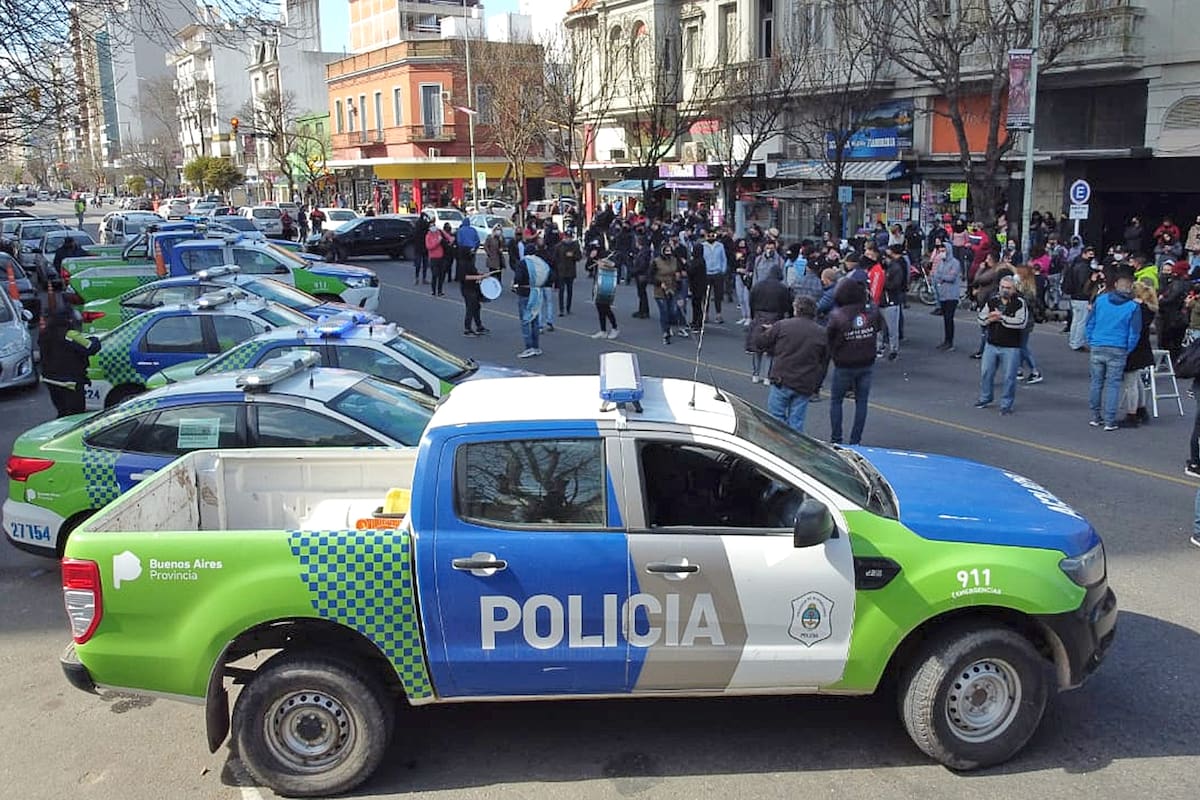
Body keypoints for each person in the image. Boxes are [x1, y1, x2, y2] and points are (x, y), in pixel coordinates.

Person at [754, 295, 828, 432]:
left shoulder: (783, 325)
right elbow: (824, 361)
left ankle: (780, 443)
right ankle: (794, 445)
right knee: (797, 421)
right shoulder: (822, 333)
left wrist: (761, 328)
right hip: (804, 383)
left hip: (782, 379)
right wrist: (816, 385)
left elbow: (761, 342)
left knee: (776, 418)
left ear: (796, 309)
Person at [826, 279, 883, 445]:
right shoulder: (872, 312)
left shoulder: (838, 315)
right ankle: (855, 440)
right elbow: (879, 327)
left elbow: (829, 338)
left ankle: (836, 439)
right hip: (866, 362)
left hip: (844, 363)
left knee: (836, 400)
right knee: (862, 402)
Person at [1086, 271, 1142, 431]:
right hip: (1118, 347)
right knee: (1113, 384)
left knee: (1096, 382)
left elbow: (1090, 322)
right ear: (1130, 288)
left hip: (1098, 344)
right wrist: (1127, 349)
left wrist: (1091, 339)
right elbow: (1134, 332)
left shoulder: (1101, 300)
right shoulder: (1133, 307)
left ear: (1116, 285)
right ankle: (1110, 420)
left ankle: (1096, 417)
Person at [974, 275, 1028, 415]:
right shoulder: (992, 301)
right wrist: (989, 319)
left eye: (1008, 288)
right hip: (991, 344)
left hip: (1011, 346)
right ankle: (985, 397)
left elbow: (1021, 322)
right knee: (986, 373)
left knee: (1009, 377)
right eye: (1003, 287)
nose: (1005, 290)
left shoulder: (1019, 303)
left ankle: (1006, 404)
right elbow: (981, 318)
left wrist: (1002, 318)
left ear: (1014, 289)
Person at [39, 306, 101, 417]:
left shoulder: (45, 334)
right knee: (75, 416)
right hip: (70, 383)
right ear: (69, 319)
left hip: (51, 381)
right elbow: (90, 347)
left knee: (62, 414)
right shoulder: (69, 334)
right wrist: (95, 339)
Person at [1118, 281, 1156, 427]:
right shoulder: (1148, 308)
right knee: (1137, 379)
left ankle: (1131, 414)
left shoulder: (1136, 308)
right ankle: (1141, 409)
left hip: (1134, 346)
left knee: (1130, 382)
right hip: (1143, 346)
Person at [747, 265, 791, 383]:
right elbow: (787, 305)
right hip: (775, 318)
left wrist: (752, 316)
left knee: (757, 348)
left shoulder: (758, 286)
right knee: (771, 350)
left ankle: (755, 375)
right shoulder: (783, 289)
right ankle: (767, 376)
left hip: (759, 316)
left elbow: (751, 301)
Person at [1063, 244, 1100, 351]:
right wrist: (1092, 280)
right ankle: (1077, 343)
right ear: (1084, 254)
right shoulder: (1084, 268)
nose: (1092, 256)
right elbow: (1083, 285)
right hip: (1082, 297)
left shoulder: (1075, 264)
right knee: (1082, 322)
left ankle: (1073, 341)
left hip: (1074, 296)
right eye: (1090, 254)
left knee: (1076, 320)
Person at [513, 254, 545, 358]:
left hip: (525, 292)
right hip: (536, 292)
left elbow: (518, 277)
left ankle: (528, 347)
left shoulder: (522, 263)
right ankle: (536, 346)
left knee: (525, 321)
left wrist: (516, 283)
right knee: (535, 319)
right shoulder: (539, 263)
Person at [651, 244, 681, 345]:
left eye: (669, 251)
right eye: (666, 251)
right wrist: (659, 283)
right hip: (660, 291)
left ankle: (670, 326)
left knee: (672, 311)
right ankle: (665, 333)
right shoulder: (656, 262)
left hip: (672, 289)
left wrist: (678, 276)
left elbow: (679, 271)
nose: (668, 253)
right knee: (664, 312)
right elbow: (650, 276)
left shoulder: (674, 260)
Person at [933, 243, 961, 350]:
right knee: (945, 319)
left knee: (949, 318)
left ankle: (950, 341)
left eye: (943, 250)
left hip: (952, 295)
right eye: (940, 251)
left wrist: (942, 277)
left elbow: (951, 277)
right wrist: (942, 277)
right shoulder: (941, 263)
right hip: (943, 294)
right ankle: (946, 340)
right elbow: (936, 275)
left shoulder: (955, 263)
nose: (942, 253)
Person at [458, 240, 488, 337]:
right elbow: (464, 277)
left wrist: (480, 274)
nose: (472, 253)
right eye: (470, 251)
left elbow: (473, 272)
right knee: (470, 308)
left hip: (473, 287)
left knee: (476, 307)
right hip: (467, 289)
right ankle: (467, 329)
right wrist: (478, 277)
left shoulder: (469, 262)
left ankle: (479, 326)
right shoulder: (462, 263)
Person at [553, 229, 582, 316]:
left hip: (570, 271)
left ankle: (568, 308)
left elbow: (579, 257)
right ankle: (561, 309)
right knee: (561, 290)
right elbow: (554, 258)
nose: (568, 239)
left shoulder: (575, 245)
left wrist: (573, 256)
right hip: (561, 271)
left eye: (570, 237)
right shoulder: (558, 246)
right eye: (567, 237)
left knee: (570, 290)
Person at [701, 230, 727, 324]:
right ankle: (706, 314)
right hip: (706, 273)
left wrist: (722, 270)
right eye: (709, 235)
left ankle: (718, 314)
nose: (711, 236)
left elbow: (724, 259)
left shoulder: (720, 246)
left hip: (717, 272)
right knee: (706, 295)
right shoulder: (703, 246)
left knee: (718, 295)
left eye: (713, 235)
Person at [425, 223, 452, 296]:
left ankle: (440, 291)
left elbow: (449, 237)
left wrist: (449, 241)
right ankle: (433, 291)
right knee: (434, 275)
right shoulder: (428, 236)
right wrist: (437, 242)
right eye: (431, 226)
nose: (433, 228)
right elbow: (429, 247)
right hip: (433, 258)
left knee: (441, 275)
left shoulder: (439, 232)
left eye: (434, 226)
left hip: (441, 257)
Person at [454, 217, 481, 286]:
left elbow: (459, 241)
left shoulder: (460, 230)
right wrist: (475, 248)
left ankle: (462, 277)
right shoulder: (473, 230)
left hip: (463, 249)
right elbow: (477, 240)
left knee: (462, 263)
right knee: (471, 263)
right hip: (472, 248)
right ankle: (471, 277)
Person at [412, 213, 431, 284]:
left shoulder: (417, 226)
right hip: (425, 247)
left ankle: (416, 278)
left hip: (418, 247)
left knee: (418, 264)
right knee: (425, 264)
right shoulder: (426, 226)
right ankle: (424, 278)